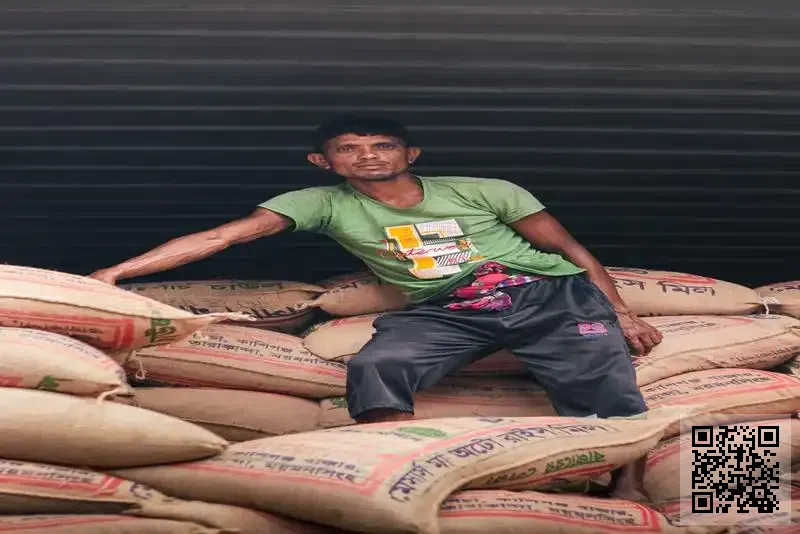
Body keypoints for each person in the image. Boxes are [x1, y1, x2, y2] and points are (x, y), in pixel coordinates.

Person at [90, 114, 662, 498]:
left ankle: (629, 487)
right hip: (449, 307)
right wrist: (117, 273)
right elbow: (225, 236)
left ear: (410, 153)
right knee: (376, 365)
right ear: (323, 162)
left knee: (604, 381)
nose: (366, 156)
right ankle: (399, 471)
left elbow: (566, 249)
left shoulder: (486, 189)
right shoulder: (319, 202)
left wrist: (620, 311)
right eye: (349, 148)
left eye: (381, 145)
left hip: (547, 293)